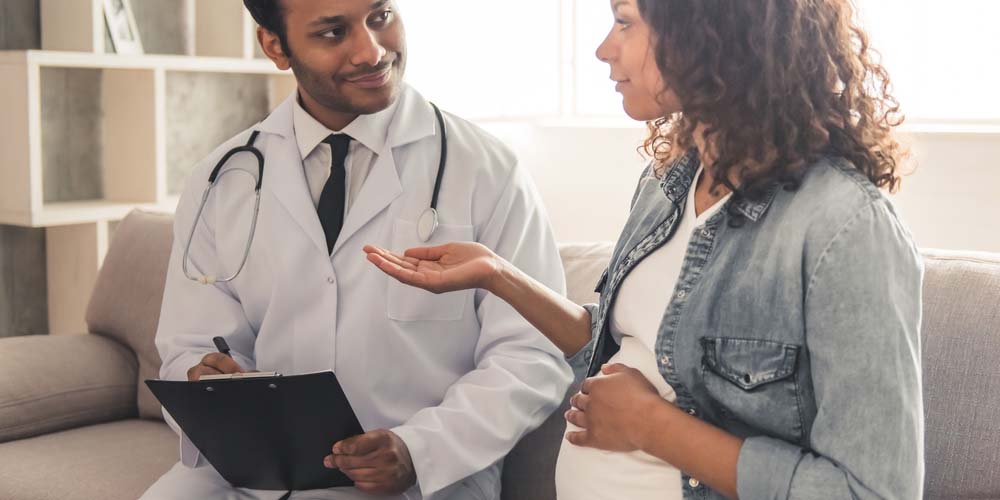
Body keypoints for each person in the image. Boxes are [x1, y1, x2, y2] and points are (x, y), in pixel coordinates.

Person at [365, 0, 924, 498]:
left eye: (625, 22)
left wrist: (651, 427)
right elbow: (628, 352)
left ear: (712, 31)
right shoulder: (669, 182)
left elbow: (872, 490)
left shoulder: (845, 228)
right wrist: (497, 275)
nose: (604, 48)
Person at [142, 1, 572, 499]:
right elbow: (191, 343)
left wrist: (420, 449)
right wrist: (207, 380)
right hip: (255, 476)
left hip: (427, 479)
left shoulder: (487, 171)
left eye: (380, 16)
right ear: (275, 46)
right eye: (332, 32)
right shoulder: (222, 180)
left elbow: (531, 353)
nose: (371, 50)